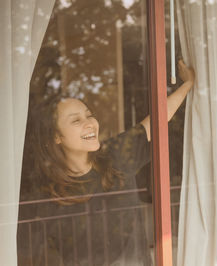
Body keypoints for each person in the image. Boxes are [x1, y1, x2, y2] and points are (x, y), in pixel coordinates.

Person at [17, 60, 195, 266]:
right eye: (76, 121)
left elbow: (156, 120)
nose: (90, 123)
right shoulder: (45, 194)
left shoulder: (115, 155)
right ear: (57, 136)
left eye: (89, 115)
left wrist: (187, 85)